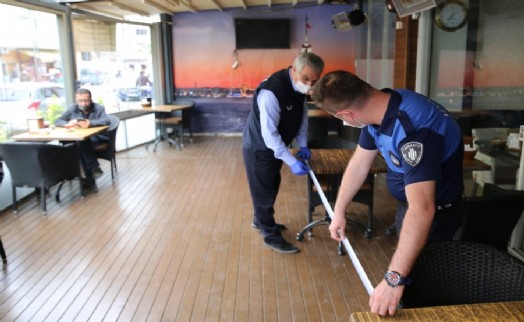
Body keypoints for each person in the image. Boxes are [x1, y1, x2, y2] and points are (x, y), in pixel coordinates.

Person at [310, 70, 465, 316]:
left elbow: (422, 209)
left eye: (341, 119)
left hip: (436, 220)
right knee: (409, 284)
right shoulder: (377, 108)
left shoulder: (415, 132)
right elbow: (360, 163)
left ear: (348, 115)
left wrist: (394, 280)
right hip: (410, 208)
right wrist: (339, 210)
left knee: (423, 297)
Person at [243, 52, 325, 254]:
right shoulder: (272, 92)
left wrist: (303, 144)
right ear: (294, 69)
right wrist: (291, 160)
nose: (310, 84)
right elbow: (270, 136)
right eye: (306, 78)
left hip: (277, 147)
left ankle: (259, 220)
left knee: (271, 184)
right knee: (263, 189)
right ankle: (270, 235)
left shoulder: (298, 87)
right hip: (260, 147)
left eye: (315, 80)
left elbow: (301, 117)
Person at [55, 88, 110, 184]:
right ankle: (93, 169)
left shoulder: (99, 108)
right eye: (80, 101)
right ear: (76, 101)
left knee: (81, 142)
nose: (83, 104)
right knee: (79, 143)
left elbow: (105, 121)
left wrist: (90, 123)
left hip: (96, 138)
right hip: (78, 139)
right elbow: (58, 121)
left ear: (91, 100)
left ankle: (88, 177)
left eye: (86, 100)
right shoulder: (72, 109)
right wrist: (67, 123)